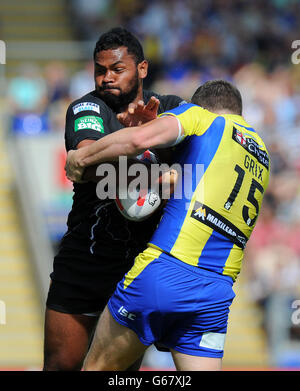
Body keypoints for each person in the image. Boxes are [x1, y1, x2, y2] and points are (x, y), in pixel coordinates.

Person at [65, 80, 270, 371]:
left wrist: (80, 156)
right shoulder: (261, 154)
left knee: (96, 368)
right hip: (216, 292)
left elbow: (137, 141)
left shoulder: (201, 117)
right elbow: (196, 183)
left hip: (165, 271)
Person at [43, 27, 184, 371]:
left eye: (117, 69)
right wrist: (135, 140)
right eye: (100, 69)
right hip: (84, 260)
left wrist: (151, 140)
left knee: (120, 373)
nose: (106, 78)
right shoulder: (87, 107)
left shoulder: (172, 110)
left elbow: (191, 171)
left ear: (142, 69)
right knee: (62, 365)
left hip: (141, 267)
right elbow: (86, 159)